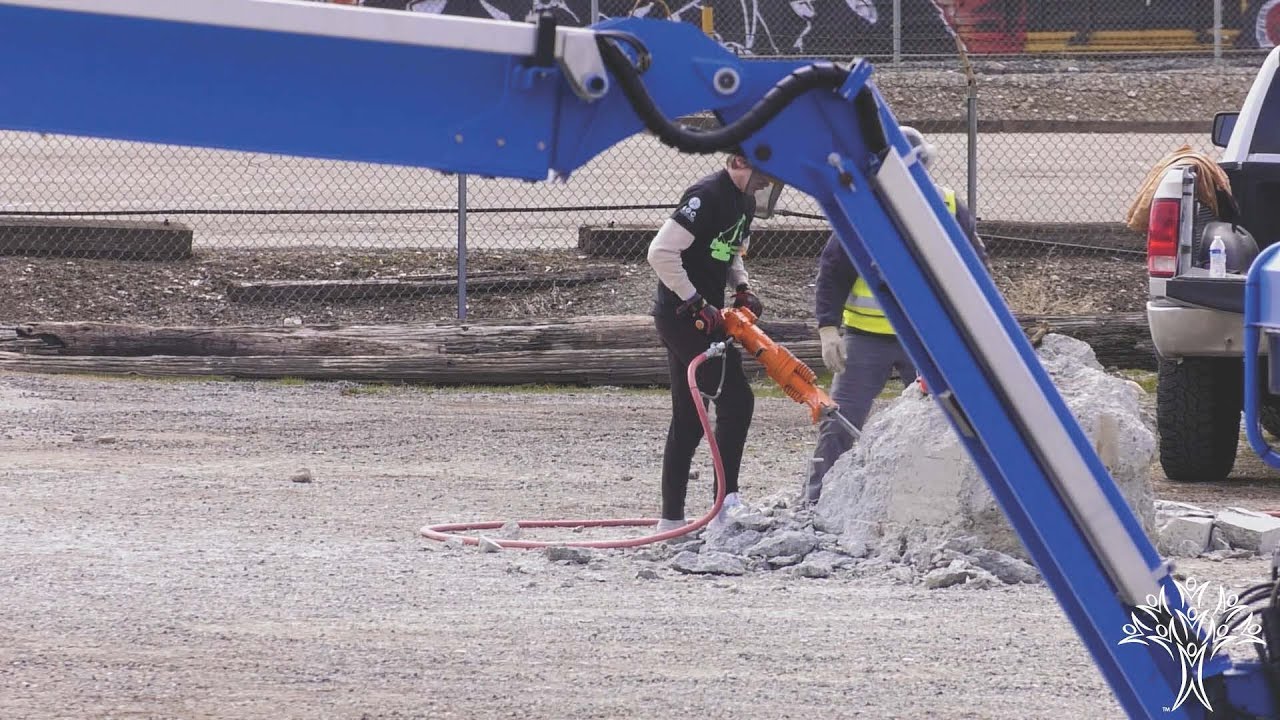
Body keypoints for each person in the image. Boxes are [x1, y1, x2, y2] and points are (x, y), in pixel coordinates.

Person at [802, 126, 988, 505]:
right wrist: (827, 328)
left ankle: (935, 503)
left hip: (926, 338)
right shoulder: (863, 210)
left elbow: (975, 269)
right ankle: (814, 502)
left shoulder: (947, 207)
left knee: (944, 423)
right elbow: (833, 270)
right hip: (866, 339)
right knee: (839, 423)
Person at [647, 153, 772, 532]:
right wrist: (694, 300)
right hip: (683, 318)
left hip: (706, 314)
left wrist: (742, 287)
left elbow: (731, 251)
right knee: (737, 400)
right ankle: (725, 505)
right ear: (738, 161)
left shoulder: (745, 202)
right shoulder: (705, 195)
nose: (767, 182)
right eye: (762, 173)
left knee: (689, 418)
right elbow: (661, 253)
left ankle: (671, 520)